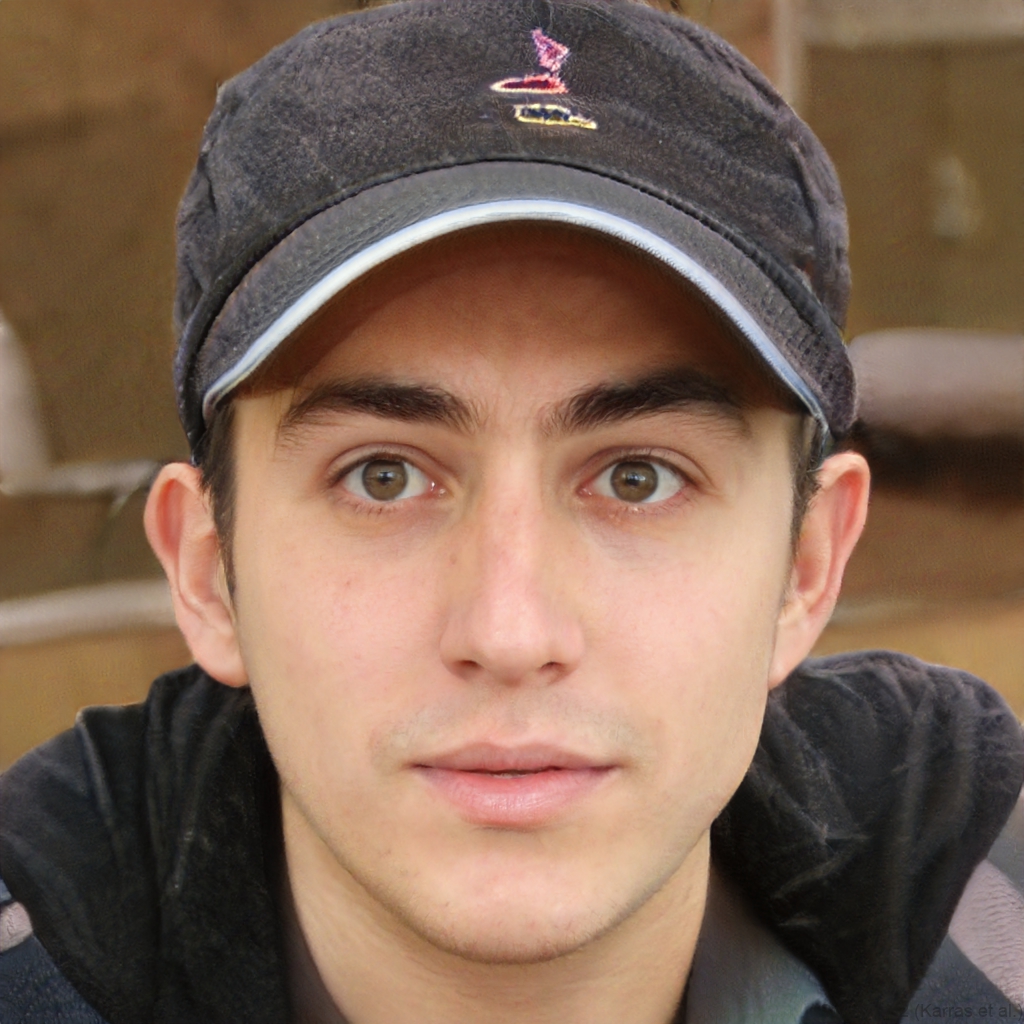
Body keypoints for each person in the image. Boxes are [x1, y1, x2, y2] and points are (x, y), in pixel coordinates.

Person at [1, 2, 1022, 1021]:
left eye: (637, 477)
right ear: (209, 574)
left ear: (805, 567)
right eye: (383, 476)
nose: (509, 632)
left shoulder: (989, 936)